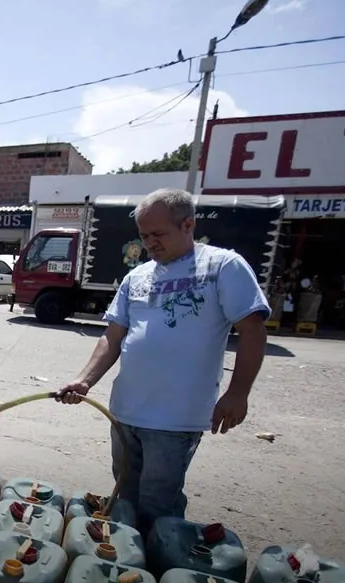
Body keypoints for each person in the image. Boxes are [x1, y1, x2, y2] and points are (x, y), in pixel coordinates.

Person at [56, 188, 269, 534]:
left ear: (188, 224)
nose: (150, 243)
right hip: (125, 412)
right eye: (143, 235)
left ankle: (160, 573)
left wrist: (238, 392)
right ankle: (126, 561)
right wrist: (85, 380)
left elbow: (253, 331)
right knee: (124, 498)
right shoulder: (136, 277)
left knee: (159, 505)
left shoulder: (222, 266)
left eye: (158, 234)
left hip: (175, 419)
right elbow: (113, 336)